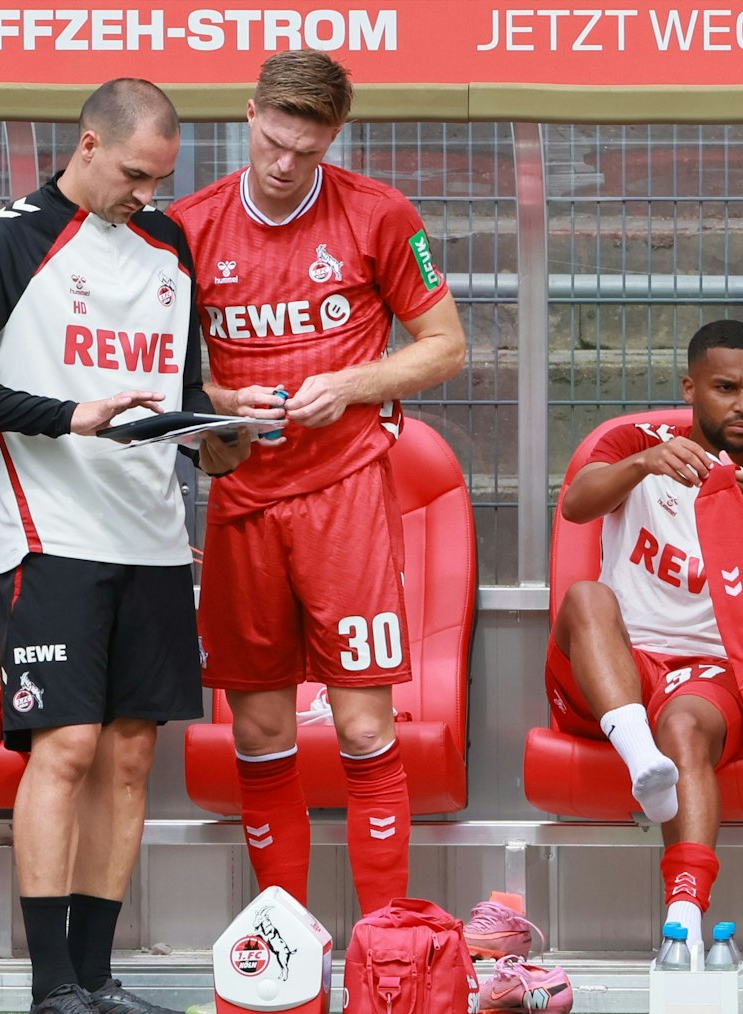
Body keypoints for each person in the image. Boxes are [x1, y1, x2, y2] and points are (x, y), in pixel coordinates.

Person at [0, 77, 243, 1014]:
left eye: (163, 178)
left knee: (131, 754)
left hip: (149, 536)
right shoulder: (5, 241)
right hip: (47, 535)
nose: (149, 192)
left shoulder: (169, 245)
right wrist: (64, 414)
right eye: (135, 173)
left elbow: (174, 392)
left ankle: (97, 974)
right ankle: (49, 987)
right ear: (86, 145)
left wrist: (213, 437)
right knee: (66, 748)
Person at [168, 49, 466, 923]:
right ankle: (284, 947)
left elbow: (444, 344)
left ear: (332, 136)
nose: (285, 162)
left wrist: (352, 383)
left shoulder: (377, 215)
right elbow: (163, 372)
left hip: (347, 499)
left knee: (365, 728)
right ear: (249, 115)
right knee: (257, 735)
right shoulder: (186, 227)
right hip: (240, 499)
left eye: (306, 148)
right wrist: (219, 403)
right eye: (273, 140)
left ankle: (381, 940)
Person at [548, 320, 743, 959]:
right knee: (587, 596)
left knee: (687, 731)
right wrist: (642, 464)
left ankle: (684, 921)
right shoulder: (636, 441)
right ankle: (639, 754)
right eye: (725, 387)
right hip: (617, 663)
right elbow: (577, 505)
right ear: (691, 387)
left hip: (711, 674)